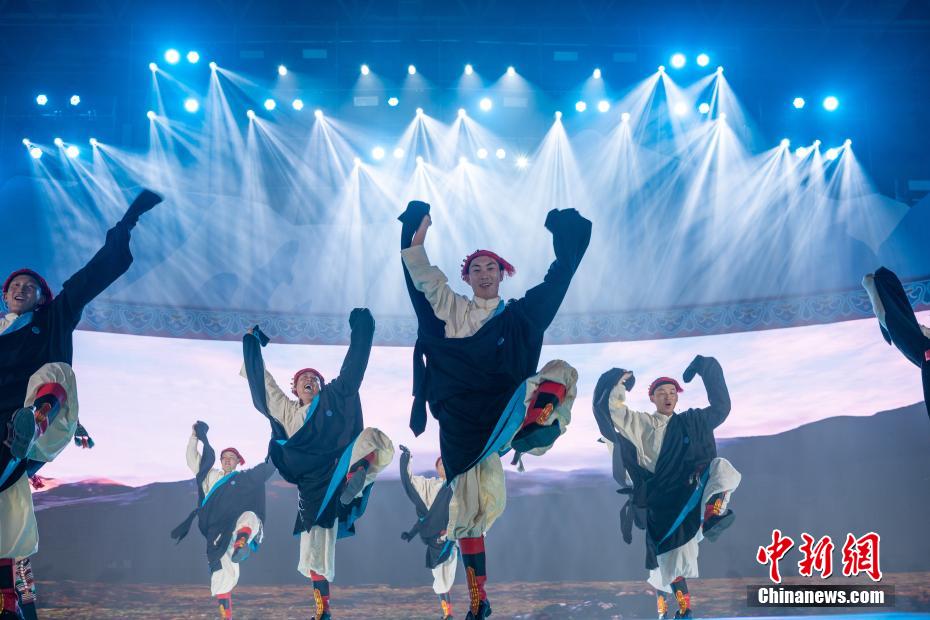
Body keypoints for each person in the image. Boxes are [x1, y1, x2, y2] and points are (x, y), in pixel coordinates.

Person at [398, 200, 590, 619]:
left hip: (505, 409)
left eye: (491, 268)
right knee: (470, 509)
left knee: (561, 373)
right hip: (462, 424)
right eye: (476, 269)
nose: (484, 274)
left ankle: (532, 428)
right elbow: (421, 274)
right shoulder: (451, 307)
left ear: (503, 274)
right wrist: (418, 228)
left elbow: (557, 281)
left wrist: (566, 239)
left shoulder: (518, 317)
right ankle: (478, 600)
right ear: (466, 277)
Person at [0, 189, 163, 620]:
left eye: (30, 286)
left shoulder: (54, 318)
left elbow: (93, 275)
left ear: (42, 296)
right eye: (14, 286)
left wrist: (127, 221)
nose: (21, 289)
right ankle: (13, 605)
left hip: (25, 422)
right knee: (7, 517)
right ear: (5, 296)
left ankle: (34, 423)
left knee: (56, 372)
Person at [241, 309, 394, 620]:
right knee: (315, 549)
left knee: (375, 439)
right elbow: (264, 384)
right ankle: (323, 611)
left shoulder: (332, 398)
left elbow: (353, 368)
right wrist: (251, 343)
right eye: (303, 379)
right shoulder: (287, 411)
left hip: (339, 467)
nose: (309, 380)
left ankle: (355, 477)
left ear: (322, 386)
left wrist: (362, 327)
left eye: (314, 378)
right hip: (313, 487)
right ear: (295, 389)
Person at [592, 356, 741, 619]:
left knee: (722, 468)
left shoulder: (691, 422)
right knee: (664, 562)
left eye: (672, 392)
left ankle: (713, 515)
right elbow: (613, 411)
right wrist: (619, 382)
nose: (668, 396)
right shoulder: (642, 424)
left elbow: (722, 408)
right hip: (661, 502)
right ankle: (669, 612)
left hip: (689, 492)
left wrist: (705, 368)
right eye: (661, 392)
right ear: (652, 398)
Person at [171, 421, 274, 619]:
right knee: (221, 574)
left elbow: (265, 470)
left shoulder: (244, 478)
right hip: (215, 529)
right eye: (224, 457)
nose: (227, 460)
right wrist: (194, 436)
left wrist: (276, 446)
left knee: (250, 517)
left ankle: (241, 543)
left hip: (234, 524)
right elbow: (192, 460)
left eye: (231, 458)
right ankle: (226, 617)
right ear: (220, 460)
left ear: (238, 461)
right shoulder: (210, 475)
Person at [862, 267, 930, 419]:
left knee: (891, 320)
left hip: (919, 349)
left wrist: (923, 330)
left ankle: (873, 285)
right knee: (889, 320)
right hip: (920, 348)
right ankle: (871, 285)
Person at [399, 445, 456, 620]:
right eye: (440, 464)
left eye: (446, 463)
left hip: (451, 538)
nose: (443, 466)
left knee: (447, 575)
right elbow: (410, 483)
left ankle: (456, 611)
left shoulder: (458, 485)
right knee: (439, 579)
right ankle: (447, 613)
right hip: (434, 541)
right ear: (437, 469)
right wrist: (407, 458)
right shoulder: (430, 486)